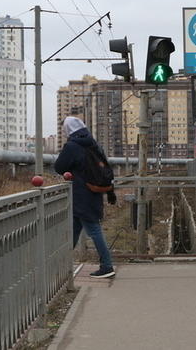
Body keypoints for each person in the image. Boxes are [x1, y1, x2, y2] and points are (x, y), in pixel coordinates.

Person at [54, 116, 117, 279]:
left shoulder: (72, 146)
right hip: (93, 193)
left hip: (82, 195)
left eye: (64, 130)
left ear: (69, 130)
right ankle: (62, 265)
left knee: (94, 230)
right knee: (74, 229)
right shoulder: (94, 144)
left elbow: (59, 167)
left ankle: (107, 266)